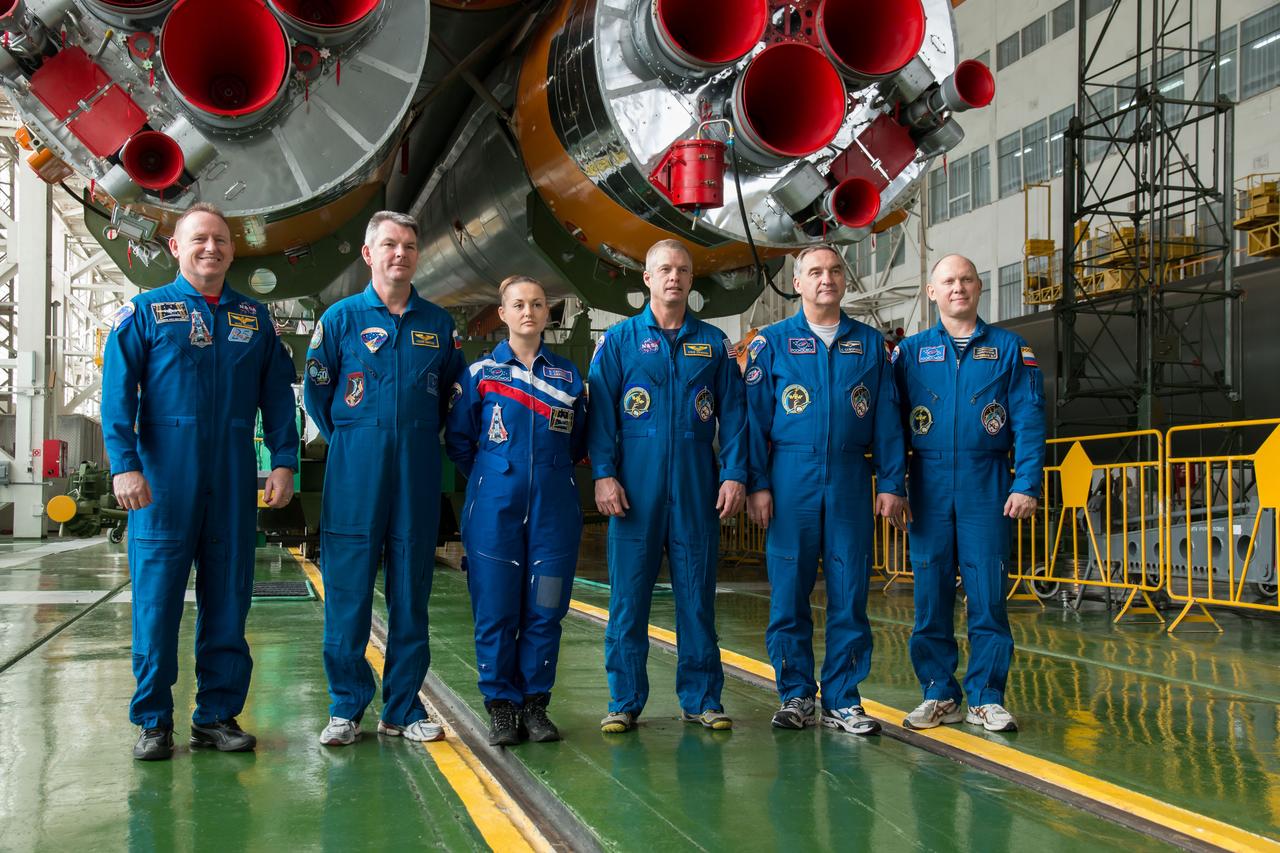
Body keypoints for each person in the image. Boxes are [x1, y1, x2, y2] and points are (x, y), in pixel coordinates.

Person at [102, 203, 299, 761]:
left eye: (219, 239)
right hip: (162, 480)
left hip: (233, 480)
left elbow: (278, 396)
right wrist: (124, 464)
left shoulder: (254, 321)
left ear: (232, 250)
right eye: (198, 240)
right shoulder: (143, 312)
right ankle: (153, 722)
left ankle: (216, 717)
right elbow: (117, 396)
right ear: (175, 248)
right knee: (157, 604)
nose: (210, 248)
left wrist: (283, 459)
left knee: (230, 600)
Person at [303, 210, 465, 746]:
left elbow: (448, 397)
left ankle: (402, 707)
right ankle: (346, 707)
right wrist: (357, 436)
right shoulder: (341, 319)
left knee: (411, 594)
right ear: (369, 254)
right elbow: (318, 394)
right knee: (348, 592)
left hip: (417, 471)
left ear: (418, 256)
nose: (401, 254)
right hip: (355, 472)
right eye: (390, 245)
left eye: (410, 246)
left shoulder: (438, 325)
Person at [745, 245, 908, 734]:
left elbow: (887, 418)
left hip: (850, 477)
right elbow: (752, 421)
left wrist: (892, 481)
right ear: (797, 283)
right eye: (814, 272)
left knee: (851, 591)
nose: (826, 279)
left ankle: (843, 697)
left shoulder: (870, 344)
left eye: (835, 270)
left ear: (845, 281)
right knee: (789, 593)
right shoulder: (770, 343)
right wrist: (758, 483)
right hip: (790, 476)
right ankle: (796, 695)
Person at [587, 238, 748, 733]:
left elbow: (736, 415)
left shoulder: (714, 344)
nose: (673, 277)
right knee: (628, 598)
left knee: (696, 595)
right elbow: (601, 415)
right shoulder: (618, 342)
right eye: (664, 270)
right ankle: (624, 700)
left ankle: (701, 698)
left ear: (690, 279)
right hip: (635, 488)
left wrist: (735, 473)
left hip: (696, 485)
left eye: (681, 270)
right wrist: (603, 474)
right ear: (648, 279)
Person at [893, 254, 1045, 732]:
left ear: (980, 288)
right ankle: (940, 694)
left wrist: (1026, 482)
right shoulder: (909, 353)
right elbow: (890, 426)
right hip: (928, 484)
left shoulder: (1009, 349)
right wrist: (892, 485)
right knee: (930, 594)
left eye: (966, 280)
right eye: (947, 282)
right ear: (931, 293)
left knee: (987, 593)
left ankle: (985, 695)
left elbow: (1029, 418)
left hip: (988, 482)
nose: (957, 288)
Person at [445, 275, 588, 746]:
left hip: (554, 512)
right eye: (518, 305)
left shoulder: (568, 379)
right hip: (494, 512)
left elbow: (580, 441)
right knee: (496, 609)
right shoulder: (481, 374)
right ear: (502, 314)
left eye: (538, 304)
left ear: (549, 313)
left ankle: (535, 705)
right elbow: (461, 441)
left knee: (546, 609)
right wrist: (493, 477)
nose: (528, 311)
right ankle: (502, 707)